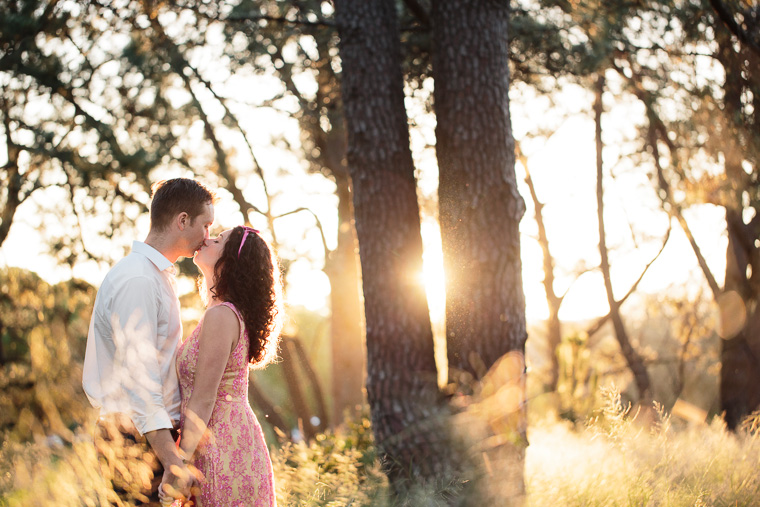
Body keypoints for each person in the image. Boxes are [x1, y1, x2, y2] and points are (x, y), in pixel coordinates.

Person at [83, 178, 216, 505]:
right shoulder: (138, 280)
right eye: (206, 225)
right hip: (136, 439)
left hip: (150, 436)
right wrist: (172, 460)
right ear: (182, 221)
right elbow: (139, 383)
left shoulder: (155, 276)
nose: (208, 237)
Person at [160, 226, 282, 506]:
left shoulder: (222, 315)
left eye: (217, 240)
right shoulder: (223, 314)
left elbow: (204, 396)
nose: (207, 239)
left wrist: (178, 463)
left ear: (230, 262)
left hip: (222, 444)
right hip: (223, 438)